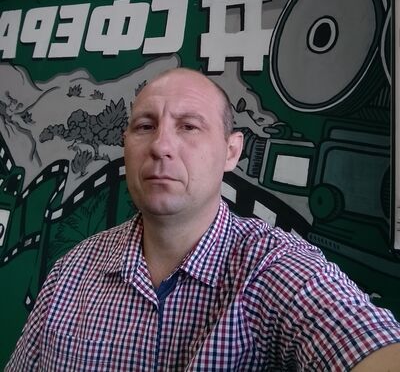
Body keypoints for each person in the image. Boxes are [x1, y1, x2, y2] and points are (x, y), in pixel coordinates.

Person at [6, 67, 400, 371]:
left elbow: (358, 337)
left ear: (231, 152)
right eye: (145, 126)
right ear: (126, 146)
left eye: (189, 127)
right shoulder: (70, 272)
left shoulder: (273, 266)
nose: (161, 145)